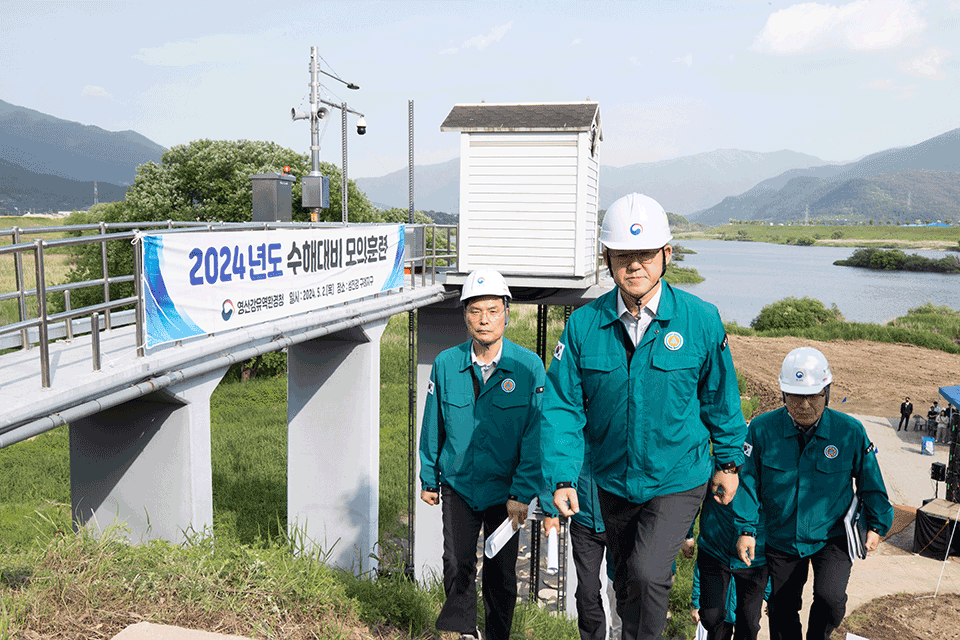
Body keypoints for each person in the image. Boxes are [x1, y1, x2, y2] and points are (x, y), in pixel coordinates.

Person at [541, 193, 747, 640]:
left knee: (650, 572)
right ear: (607, 259)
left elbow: (720, 398)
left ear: (666, 255)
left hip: (676, 475)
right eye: (623, 256)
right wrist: (561, 476)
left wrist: (729, 464)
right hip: (611, 479)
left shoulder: (701, 320)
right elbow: (562, 407)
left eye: (646, 255)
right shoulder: (583, 326)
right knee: (625, 580)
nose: (635, 265)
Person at [418, 269, 545, 640]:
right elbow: (433, 425)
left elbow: (535, 436)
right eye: (475, 311)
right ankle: (466, 632)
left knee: (502, 573)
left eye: (492, 310)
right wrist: (429, 478)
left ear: (506, 312)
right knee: (456, 563)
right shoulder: (446, 364)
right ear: (465, 316)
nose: (484, 319)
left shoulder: (527, 366)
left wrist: (523, 494)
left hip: (507, 492)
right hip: (459, 484)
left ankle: (497, 636)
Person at [734, 347, 893, 640]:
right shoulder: (761, 430)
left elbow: (870, 480)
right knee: (781, 609)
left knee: (831, 600)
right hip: (782, 536)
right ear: (783, 394)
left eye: (814, 395)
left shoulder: (849, 431)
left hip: (832, 536)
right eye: (795, 396)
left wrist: (877, 524)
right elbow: (747, 483)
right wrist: (746, 530)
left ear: (827, 392)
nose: (804, 404)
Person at [542, 448, 609, 640]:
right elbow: (553, 458)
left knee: (626, 590)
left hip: (618, 521)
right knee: (586, 594)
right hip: (585, 524)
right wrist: (550, 511)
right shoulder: (572, 429)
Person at [695, 469, 768, 640]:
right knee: (712, 617)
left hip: (754, 559)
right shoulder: (716, 465)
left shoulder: (768, 461)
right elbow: (692, 498)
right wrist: (688, 535)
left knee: (749, 624)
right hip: (715, 551)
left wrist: (770, 592)